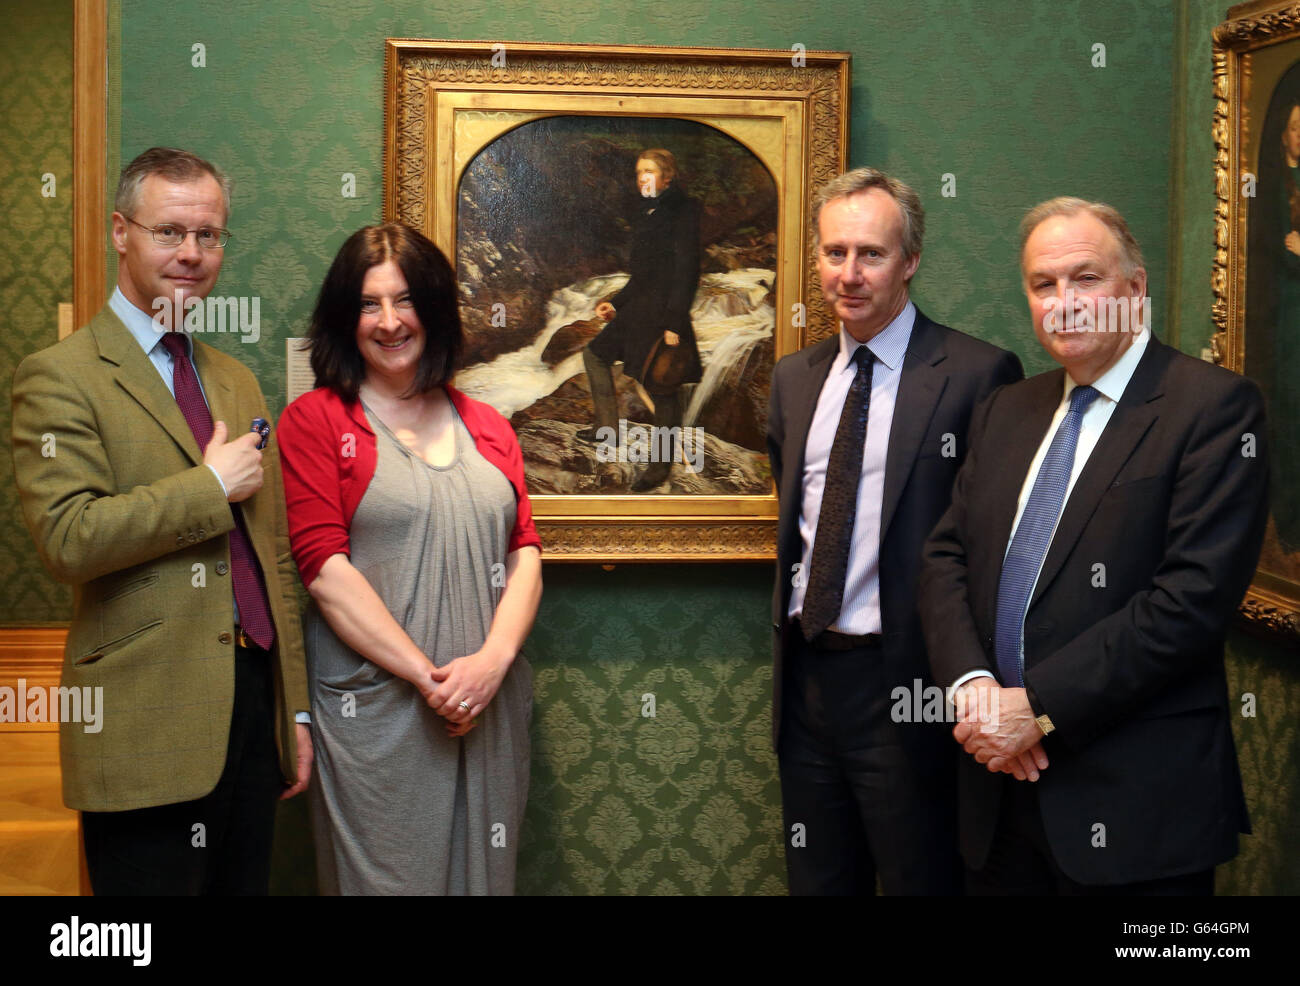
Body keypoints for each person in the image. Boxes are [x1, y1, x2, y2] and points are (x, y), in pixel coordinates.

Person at [918, 197, 1270, 894]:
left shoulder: (1214, 407)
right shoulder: (1008, 407)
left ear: (1135, 290)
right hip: (998, 792)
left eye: (1086, 279)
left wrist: (1037, 707)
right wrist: (976, 691)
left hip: (1133, 801)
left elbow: (1190, 602)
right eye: (1043, 285)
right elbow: (944, 558)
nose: (1064, 303)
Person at [10, 146, 311, 894]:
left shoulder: (232, 377)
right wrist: (208, 486)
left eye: (208, 236)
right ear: (121, 232)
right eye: (169, 232)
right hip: (143, 724)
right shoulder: (61, 376)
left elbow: (270, 557)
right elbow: (69, 538)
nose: (191, 254)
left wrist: (294, 713)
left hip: (251, 714)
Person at [766, 167, 1023, 895]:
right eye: (834, 252)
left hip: (911, 691)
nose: (848, 274)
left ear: (910, 261)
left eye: (871, 254)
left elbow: (990, 545)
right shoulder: (793, 380)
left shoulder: (978, 374)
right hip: (808, 683)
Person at [277, 223, 543, 895]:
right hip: (378, 719)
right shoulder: (316, 423)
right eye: (369, 304)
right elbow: (324, 572)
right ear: (346, 316)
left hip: (487, 712)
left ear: (436, 309)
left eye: (406, 300)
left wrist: (489, 666)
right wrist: (432, 680)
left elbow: (526, 555)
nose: (390, 322)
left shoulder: (489, 426)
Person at [580, 148, 703, 491]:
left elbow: (687, 272)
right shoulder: (647, 210)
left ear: (667, 177)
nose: (642, 178)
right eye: (638, 172)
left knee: (662, 386)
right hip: (638, 311)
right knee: (594, 355)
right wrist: (615, 305)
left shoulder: (684, 210)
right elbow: (642, 277)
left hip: (664, 315)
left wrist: (675, 324)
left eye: (649, 172)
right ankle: (608, 430)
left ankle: (660, 467)